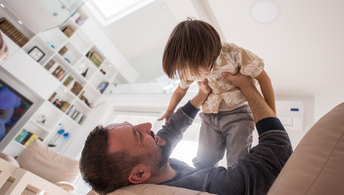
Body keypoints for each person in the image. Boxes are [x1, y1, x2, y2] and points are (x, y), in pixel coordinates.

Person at [79, 72, 292, 195]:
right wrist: (248, 87)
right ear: (139, 175)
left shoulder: (154, 168)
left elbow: (170, 131)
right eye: (137, 135)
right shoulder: (200, 188)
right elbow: (276, 150)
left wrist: (201, 95)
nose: (146, 125)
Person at [159, 18, 276, 168]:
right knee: (203, 162)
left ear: (212, 52)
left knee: (238, 162)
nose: (198, 73)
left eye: (199, 68)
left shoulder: (233, 55)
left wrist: (272, 117)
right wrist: (170, 110)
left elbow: (264, 79)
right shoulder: (189, 67)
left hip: (238, 115)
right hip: (209, 117)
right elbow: (180, 90)